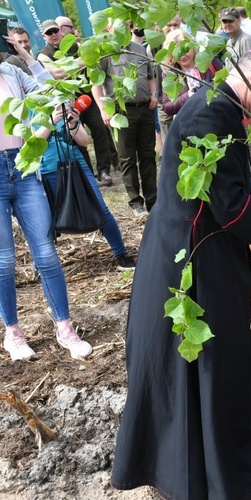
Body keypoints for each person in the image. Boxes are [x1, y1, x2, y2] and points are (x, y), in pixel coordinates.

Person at [110, 45, 251, 500]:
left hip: (208, 249)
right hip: (192, 258)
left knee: (237, 355)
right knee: (218, 366)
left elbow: (233, 191)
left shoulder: (222, 108)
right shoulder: (209, 117)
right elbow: (230, 208)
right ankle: (238, 484)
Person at [1, 37, 93, 362]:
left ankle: (65, 328)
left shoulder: (10, 73)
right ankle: (13, 333)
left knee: (46, 251)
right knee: (5, 260)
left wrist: (24, 53)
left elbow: (49, 87)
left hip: (23, 166)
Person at [34, 104, 136, 271]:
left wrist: (73, 123)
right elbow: (33, 142)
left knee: (101, 209)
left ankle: (121, 254)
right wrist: (52, 120)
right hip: (45, 169)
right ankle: (40, 265)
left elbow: (83, 141)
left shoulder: (61, 103)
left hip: (75, 164)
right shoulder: (29, 108)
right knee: (45, 220)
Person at [37, 19, 119, 187]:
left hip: (88, 96)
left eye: (55, 31)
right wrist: (81, 61)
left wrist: (69, 66)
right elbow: (57, 73)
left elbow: (93, 62)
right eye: (49, 33)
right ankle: (88, 171)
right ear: (43, 35)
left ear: (60, 30)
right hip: (68, 101)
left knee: (100, 130)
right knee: (77, 136)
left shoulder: (77, 45)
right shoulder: (43, 54)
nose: (53, 35)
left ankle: (104, 171)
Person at [92, 23, 158, 217]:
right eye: (117, 28)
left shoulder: (140, 48)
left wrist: (154, 94)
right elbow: (96, 83)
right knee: (127, 158)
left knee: (148, 156)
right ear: (109, 30)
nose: (122, 31)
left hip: (145, 109)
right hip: (121, 111)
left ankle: (153, 201)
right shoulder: (106, 51)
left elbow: (150, 75)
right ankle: (135, 202)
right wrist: (104, 110)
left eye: (125, 27)